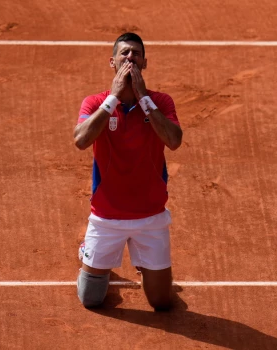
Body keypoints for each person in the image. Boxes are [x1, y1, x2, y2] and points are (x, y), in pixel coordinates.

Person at [73, 32, 183, 311]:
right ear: (112, 62)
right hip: (106, 217)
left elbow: (173, 140)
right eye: (124, 53)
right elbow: (81, 140)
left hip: (151, 217)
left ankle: (146, 267)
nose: (130, 58)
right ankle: (89, 251)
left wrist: (144, 98)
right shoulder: (95, 102)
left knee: (161, 303)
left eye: (135, 54)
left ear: (144, 62)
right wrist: (111, 99)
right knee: (90, 299)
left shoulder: (162, 101)